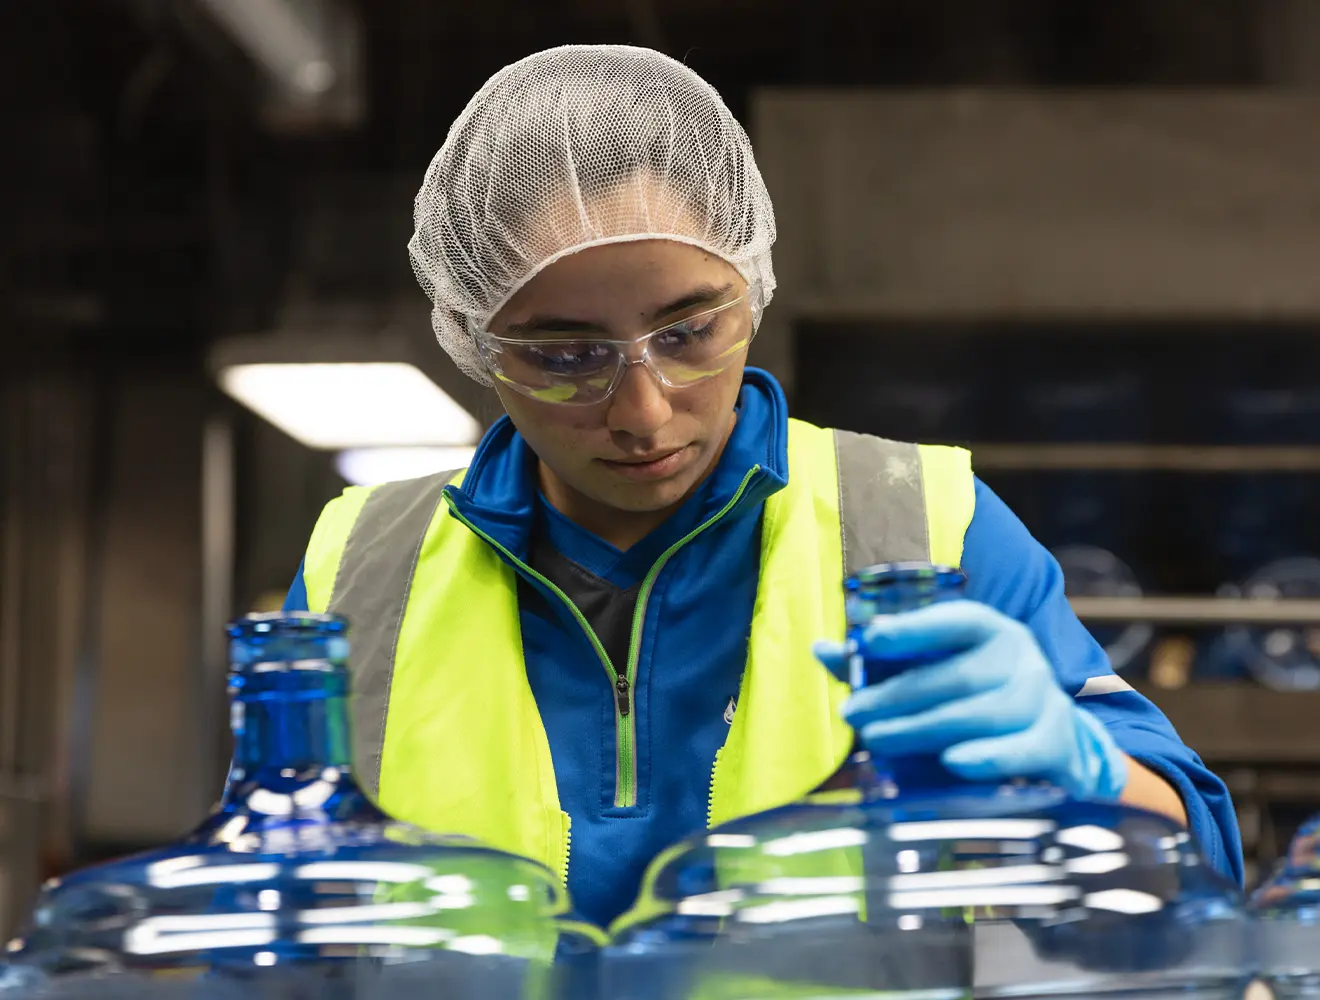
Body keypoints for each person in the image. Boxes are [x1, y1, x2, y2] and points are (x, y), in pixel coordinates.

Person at [280, 44, 1242, 929]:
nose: (646, 413)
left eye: (691, 333)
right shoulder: (364, 573)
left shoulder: (919, 527)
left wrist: (1081, 769)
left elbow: (1198, 878)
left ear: (752, 287)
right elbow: (272, 919)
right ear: (476, 342)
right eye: (567, 354)